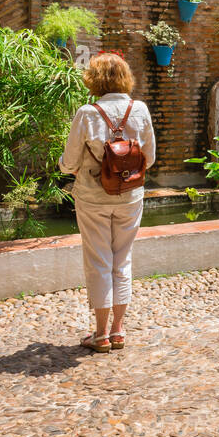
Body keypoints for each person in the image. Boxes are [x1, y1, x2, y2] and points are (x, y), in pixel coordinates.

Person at [60, 53, 155, 353]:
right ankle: (118, 330)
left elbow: (69, 162)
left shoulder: (87, 113)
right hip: (130, 197)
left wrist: (65, 165)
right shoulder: (139, 109)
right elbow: (149, 158)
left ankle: (100, 334)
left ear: (94, 80)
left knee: (99, 260)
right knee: (122, 258)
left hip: (92, 198)